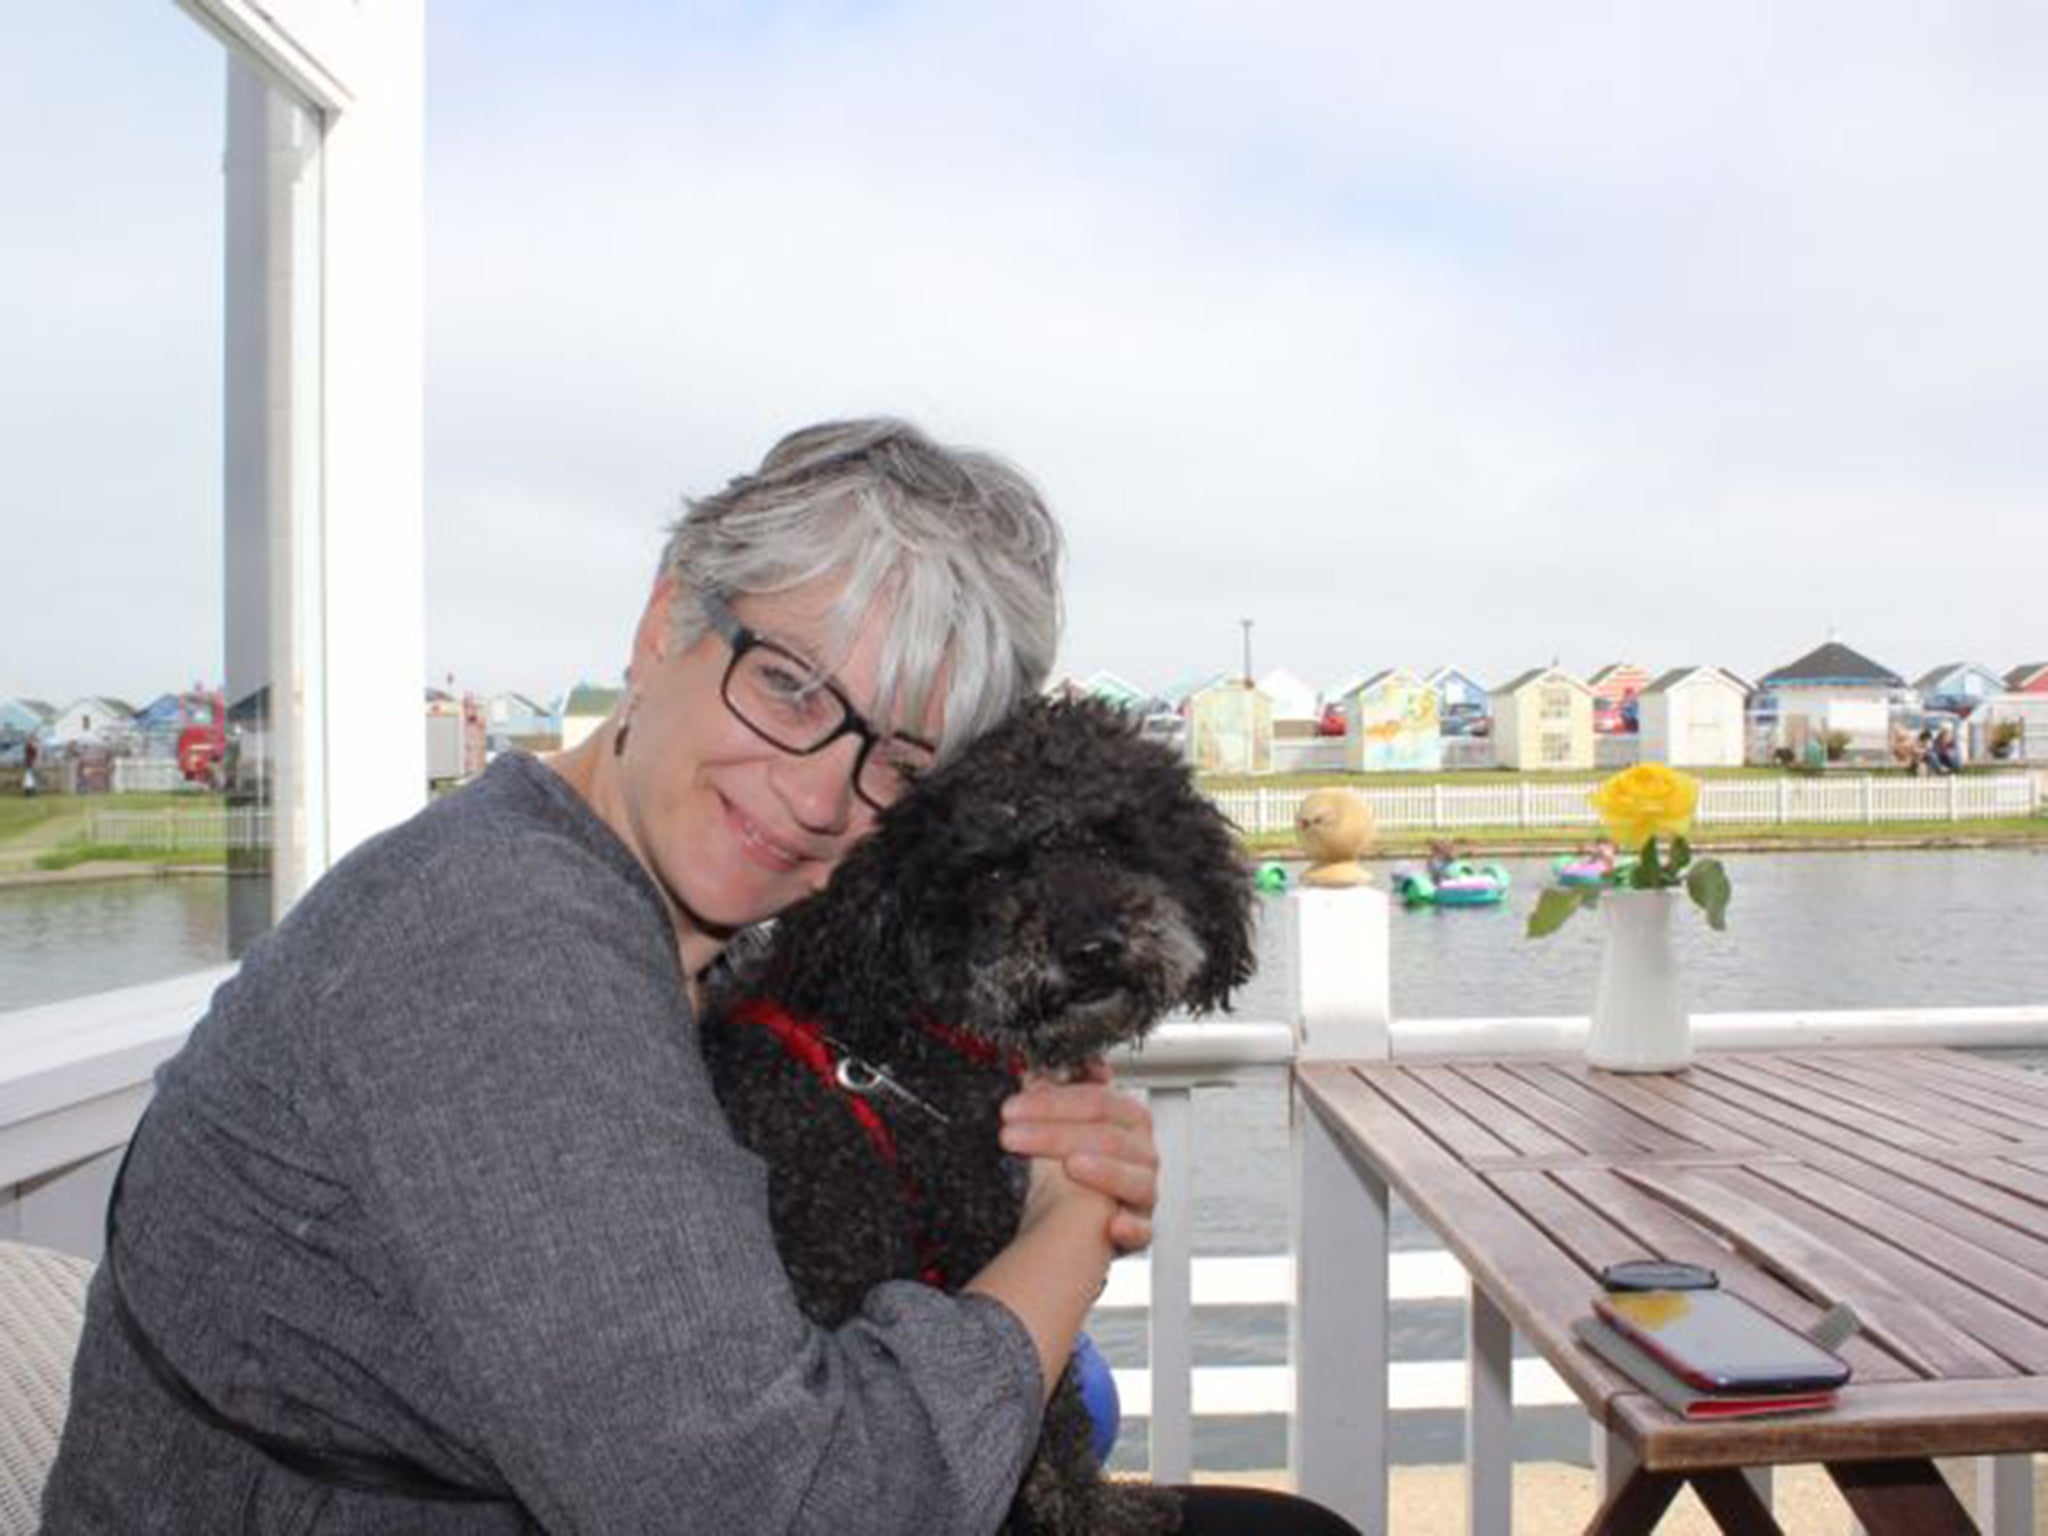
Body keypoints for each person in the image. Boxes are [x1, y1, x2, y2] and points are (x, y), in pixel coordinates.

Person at [43, 419, 1357, 1535]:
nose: (816, 793)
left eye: (898, 763)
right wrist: (1068, 1235)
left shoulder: (687, 929)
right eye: (788, 685)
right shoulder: (496, 949)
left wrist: (1035, 1145)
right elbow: (772, 1504)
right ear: (667, 623)